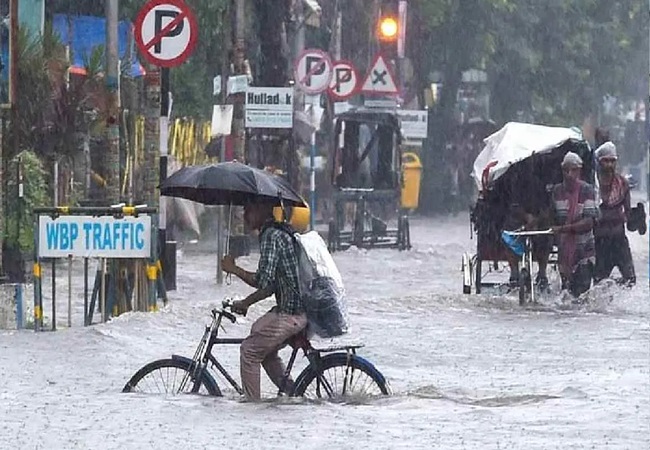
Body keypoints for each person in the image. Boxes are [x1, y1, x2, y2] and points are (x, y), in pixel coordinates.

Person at [221, 201, 307, 401]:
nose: (245, 215)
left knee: (249, 350)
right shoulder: (278, 233)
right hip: (296, 310)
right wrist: (246, 303)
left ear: (261, 210)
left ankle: (252, 407)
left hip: (291, 313)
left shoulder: (271, 236)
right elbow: (272, 285)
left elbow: (262, 280)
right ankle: (295, 395)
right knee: (258, 334)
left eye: (249, 209)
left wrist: (233, 269)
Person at [551, 152, 599, 297]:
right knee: (567, 295)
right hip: (564, 253)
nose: (569, 174)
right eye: (566, 170)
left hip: (584, 252)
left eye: (573, 170)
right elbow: (552, 217)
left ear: (579, 171)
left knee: (581, 297)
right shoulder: (557, 191)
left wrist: (564, 229)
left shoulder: (587, 190)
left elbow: (589, 222)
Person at [592, 142, 636, 286]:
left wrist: (637, 220)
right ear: (599, 162)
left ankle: (611, 289)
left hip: (619, 239)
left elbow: (628, 214)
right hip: (600, 240)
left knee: (630, 280)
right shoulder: (593, 184)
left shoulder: (622, 184)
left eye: (612, 161)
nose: (609, 165)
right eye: (606, 160)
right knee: (599, 280)